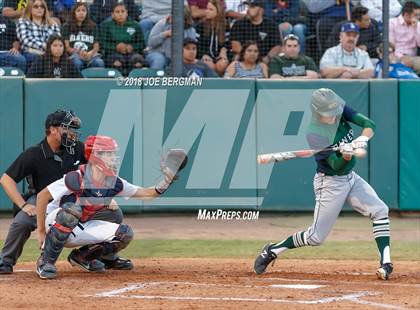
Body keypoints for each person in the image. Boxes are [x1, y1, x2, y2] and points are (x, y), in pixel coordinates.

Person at [254, 88, 394, 281]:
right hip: (330, 183)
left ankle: (386, 263)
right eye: (329, 114)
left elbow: (369, 124)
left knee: (380, 210)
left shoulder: (339, 108)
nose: (334, 116)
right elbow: (335, 166)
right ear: (317, 112)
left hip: (350, 178)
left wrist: (361, 139)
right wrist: (345, 155)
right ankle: (273, 250)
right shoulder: (315, 134)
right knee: (315, 237)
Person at [35, 135, 187, 279]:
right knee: (72, 211)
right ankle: (46, 262)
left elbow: (147, 194)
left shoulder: (114, 182)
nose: (114, 158)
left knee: (124, 234)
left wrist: (166, 181)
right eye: (109, 154)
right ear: (96, 155)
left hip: (82, 225)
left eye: (114, 154)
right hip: (56, 222)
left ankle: (82, 257)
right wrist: (41, 231)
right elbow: (42, 196)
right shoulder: (77, 176)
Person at [0, 110, 122, 274]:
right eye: (68, 129)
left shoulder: (78, 148)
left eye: (73, 129)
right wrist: (22, 205)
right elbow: (6, 179)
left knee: (114, 214)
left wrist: (105, 195)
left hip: (75, 199)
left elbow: (98, 168)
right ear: (53, 129)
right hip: (43, 200)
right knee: (21, 222)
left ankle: (100, 257)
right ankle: (5, 261)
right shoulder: (34, 153)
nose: (72, 133)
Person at [230, 0, 282, 65]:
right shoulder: (238, 24)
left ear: (261, 10)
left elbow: (277, 46)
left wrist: (268, 58)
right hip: (244, 57)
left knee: (276, 60)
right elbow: (235, 46)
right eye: (248, 7)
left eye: (252, 7)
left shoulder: (271, 25)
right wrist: (251, 57)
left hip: (264, 59)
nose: (248, 9)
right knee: (236, 58)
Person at [100, 2, 145, 76]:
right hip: (112, 54)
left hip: (132, 54)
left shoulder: (136, 25)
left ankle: (134, 84)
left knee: (137, 60)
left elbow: (142, 44)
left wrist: (132, 47)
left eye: (123, 11)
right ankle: (117, 84)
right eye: (117, 12)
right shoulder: (106, 26)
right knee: (117, 61)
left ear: (127, 13)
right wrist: (116, 47)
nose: (120, 14)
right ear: (112, 15)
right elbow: (103, 44)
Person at [145, 5, 196, 70]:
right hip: (158, 53)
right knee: (159, 60)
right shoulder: (162, 24)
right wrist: (165, 34)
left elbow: (191, 48)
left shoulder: (190, 30)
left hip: (180, 58)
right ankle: (154, 79)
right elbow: (151, 42)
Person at [16, 0, 60, 70]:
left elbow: (58, 40)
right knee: (39, 58)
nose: (39, 8)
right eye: (36, 6)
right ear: (30, 8)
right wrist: (46, 47)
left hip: (50, 52)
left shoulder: (53, 23)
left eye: (42, 6)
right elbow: (26, 40)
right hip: (30, 52)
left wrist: (50, 49)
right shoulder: (23, 21)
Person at [61, 2, 105, 71]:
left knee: (99, 62)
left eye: (83, 10)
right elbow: (67, 47)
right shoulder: (66, 26)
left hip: (90, 55)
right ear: (74, 13)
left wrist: (90, 54)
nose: (81, 13)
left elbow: (96, 46)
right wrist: (79, 52)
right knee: (77, 62)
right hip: (74, 55)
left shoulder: (93, 26)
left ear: (87, 12)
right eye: (78, 10)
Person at [195, 0, 229, 76]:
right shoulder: (201, 25)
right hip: (204, 56)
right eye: (207, 9)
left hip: (219, 56)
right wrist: (203, 54)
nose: (207, 11)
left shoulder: (226, 26)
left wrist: (224, 50)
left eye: (211, 9)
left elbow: (228, 43)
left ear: (218, 12)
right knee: (209, 66)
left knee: (222, 65)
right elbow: (196, 44)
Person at [389, 1, 420, 75]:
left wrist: (416, 29)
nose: (418, 17)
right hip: (395, 57)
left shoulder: (418, 25)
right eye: (416, 15)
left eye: (419, 15)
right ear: (406, 15)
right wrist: (401, 58)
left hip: (413, 58)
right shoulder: (392, 23)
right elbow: (390, 44)